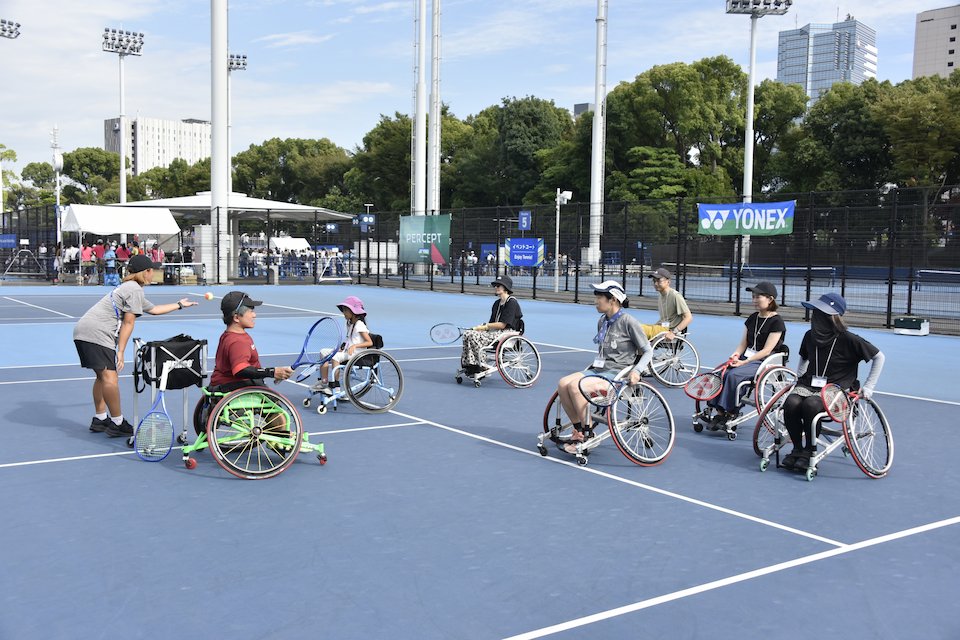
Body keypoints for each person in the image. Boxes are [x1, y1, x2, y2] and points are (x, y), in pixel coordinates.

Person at [73, 254, 199, 438]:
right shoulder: (134, 290)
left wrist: (179, 305)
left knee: (102, 376)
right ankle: (117, 422)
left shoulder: (129, 288)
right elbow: (128, 323)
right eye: (152, 270)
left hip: (83, 331)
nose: (154, 274)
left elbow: (154, 309)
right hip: (97, 333)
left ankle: (100, 419)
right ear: (145, 272)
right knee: (110, 377)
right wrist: (121, 352)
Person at [780, 292, 885, 471]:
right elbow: (804, 357)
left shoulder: (849, 339)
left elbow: (879, 357)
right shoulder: (809, 335)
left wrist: (869, 387)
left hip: (837, 389)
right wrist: (799, 377)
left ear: (831, 317)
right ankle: (797, 449)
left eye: (820, 313)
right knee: (791, 403)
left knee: (811, 405)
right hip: (809, 384)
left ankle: (809, 452)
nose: (815, 317)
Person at [555, 280, 653, 454]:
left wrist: (637, 371)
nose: (596, 301)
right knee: (563, 383)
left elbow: (647, 351)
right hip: (599, 370)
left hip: (617, 375)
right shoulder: (603, 321)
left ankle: (588, 433)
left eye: (599, 297)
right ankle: (579, 431)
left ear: (613, 299)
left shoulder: (629, 321)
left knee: (576, 388)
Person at [706, 281, 786, 423]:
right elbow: (743, 343)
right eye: (753, 297)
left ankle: (730, 411)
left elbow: (767, 350)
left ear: (770, 299)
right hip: (746, 358)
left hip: (763, 362)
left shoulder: (777, 322)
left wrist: (745, 361)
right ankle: (719, 411)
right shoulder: (752, 318)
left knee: (734, 375)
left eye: (758, 297)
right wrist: (735, 354)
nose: (754, 300)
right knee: (720, 372)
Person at [210, 291, 294, 391]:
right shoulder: (238, 341)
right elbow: (240, 370)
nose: (254, 315)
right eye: (250, 311)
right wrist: (272, 372)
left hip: (221, 385)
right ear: (236, 317)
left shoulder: (228, 335)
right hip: (236, 388)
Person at [459, 275, 523, 379]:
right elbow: (492, 324)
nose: (496, 287)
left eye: (498, 285)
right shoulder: (496, 303)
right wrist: (480, 328)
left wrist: (484, 327)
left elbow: (502, 324)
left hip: (506, 334)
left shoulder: (512, 302)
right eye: (495, 285)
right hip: (495, 333)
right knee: (468, 334)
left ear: (505, 287)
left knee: (474, 336)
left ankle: (482, 365)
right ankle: (471, 365)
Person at [314, 295, 374, 394]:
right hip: (347, 351)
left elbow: (369, 342)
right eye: (343, 310)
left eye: (346, 310)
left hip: (357, 354)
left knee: (335, 357)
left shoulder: (359, 325)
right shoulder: (350, 323)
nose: (344, 313)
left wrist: (355, 346)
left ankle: (335, 386)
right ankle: (324, 382)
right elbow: (349, 339)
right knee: (324, 352)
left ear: (354, 312)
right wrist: (342, 348)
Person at [641, 267, 693, 340]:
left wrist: (673, 332)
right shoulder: (660, 296)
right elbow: (665, 319)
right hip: (661, 328)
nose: (655, 283)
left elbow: (688, 317)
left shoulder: (675, 296)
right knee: (634, 326)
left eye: (659, 281)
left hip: (667, 330)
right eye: (654, 281)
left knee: (638, 329)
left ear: (668, 282)